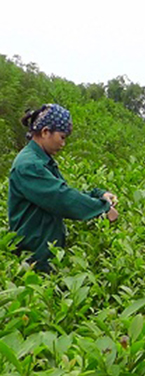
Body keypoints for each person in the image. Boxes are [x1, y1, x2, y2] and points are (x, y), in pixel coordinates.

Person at [8, 104, 119, 273]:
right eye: (62, 137)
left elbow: (63, 191)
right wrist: (102, 209)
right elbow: (62, 199)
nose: (64, 144)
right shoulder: (29, 165)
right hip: (33, 256)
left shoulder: (42, 161)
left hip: (45, 252)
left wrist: (99, 195)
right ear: (45, 132)